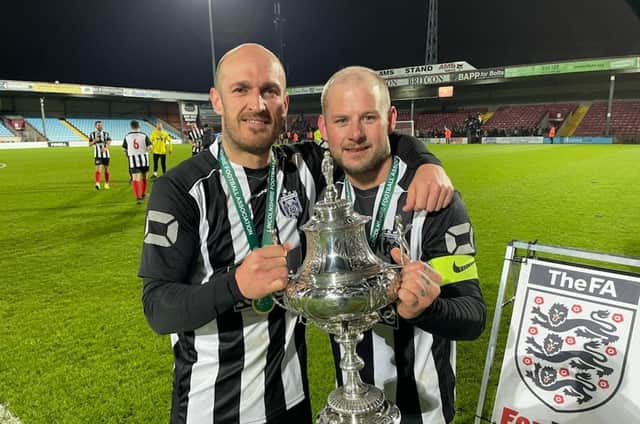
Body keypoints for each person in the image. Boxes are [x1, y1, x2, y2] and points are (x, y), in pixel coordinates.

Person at [139, 43, 453, 424]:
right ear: (216, 101)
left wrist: (426, 162)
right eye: (241, 90)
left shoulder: (303, 168)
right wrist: (235, 285)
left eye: (269, 91)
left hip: (292, 403)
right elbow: (158, 307)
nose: (257, 104)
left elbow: (366, 137)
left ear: (284, 103)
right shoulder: (181, 190)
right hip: (212, 409)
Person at [318, 66, 486, 424]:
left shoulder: (433, 199)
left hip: (423, 412)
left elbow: (473, 316)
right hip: (348, 409)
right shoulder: (321, 199)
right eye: (342, 120)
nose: (356, 134)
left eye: (369, 117)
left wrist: (426, 308)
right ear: (323, 128)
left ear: (391, 118)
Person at [122, 120, 152, 204]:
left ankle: (138, 197)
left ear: (131, 127)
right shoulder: (144, 135)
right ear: (139, 126)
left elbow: (124, 148)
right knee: (144, 178)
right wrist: (145, 150)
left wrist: (129, 154)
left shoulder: (127, 136)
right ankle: (143, 194)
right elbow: (150, 147)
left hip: (133, 160)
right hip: (144, 160)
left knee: (135, 179)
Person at [88, 120, 112, 190]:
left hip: (106, 154)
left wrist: (105, 148)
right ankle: (97, 184)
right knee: (98, 169)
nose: (100, 126)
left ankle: (106, 183)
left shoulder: (106, 133)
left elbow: (109, 142)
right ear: (95, 126)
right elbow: (89, 144)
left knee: (106, 170)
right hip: (97, 154)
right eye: (98, 125)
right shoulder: (92, 134)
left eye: (101, 125)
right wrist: (94, 141)